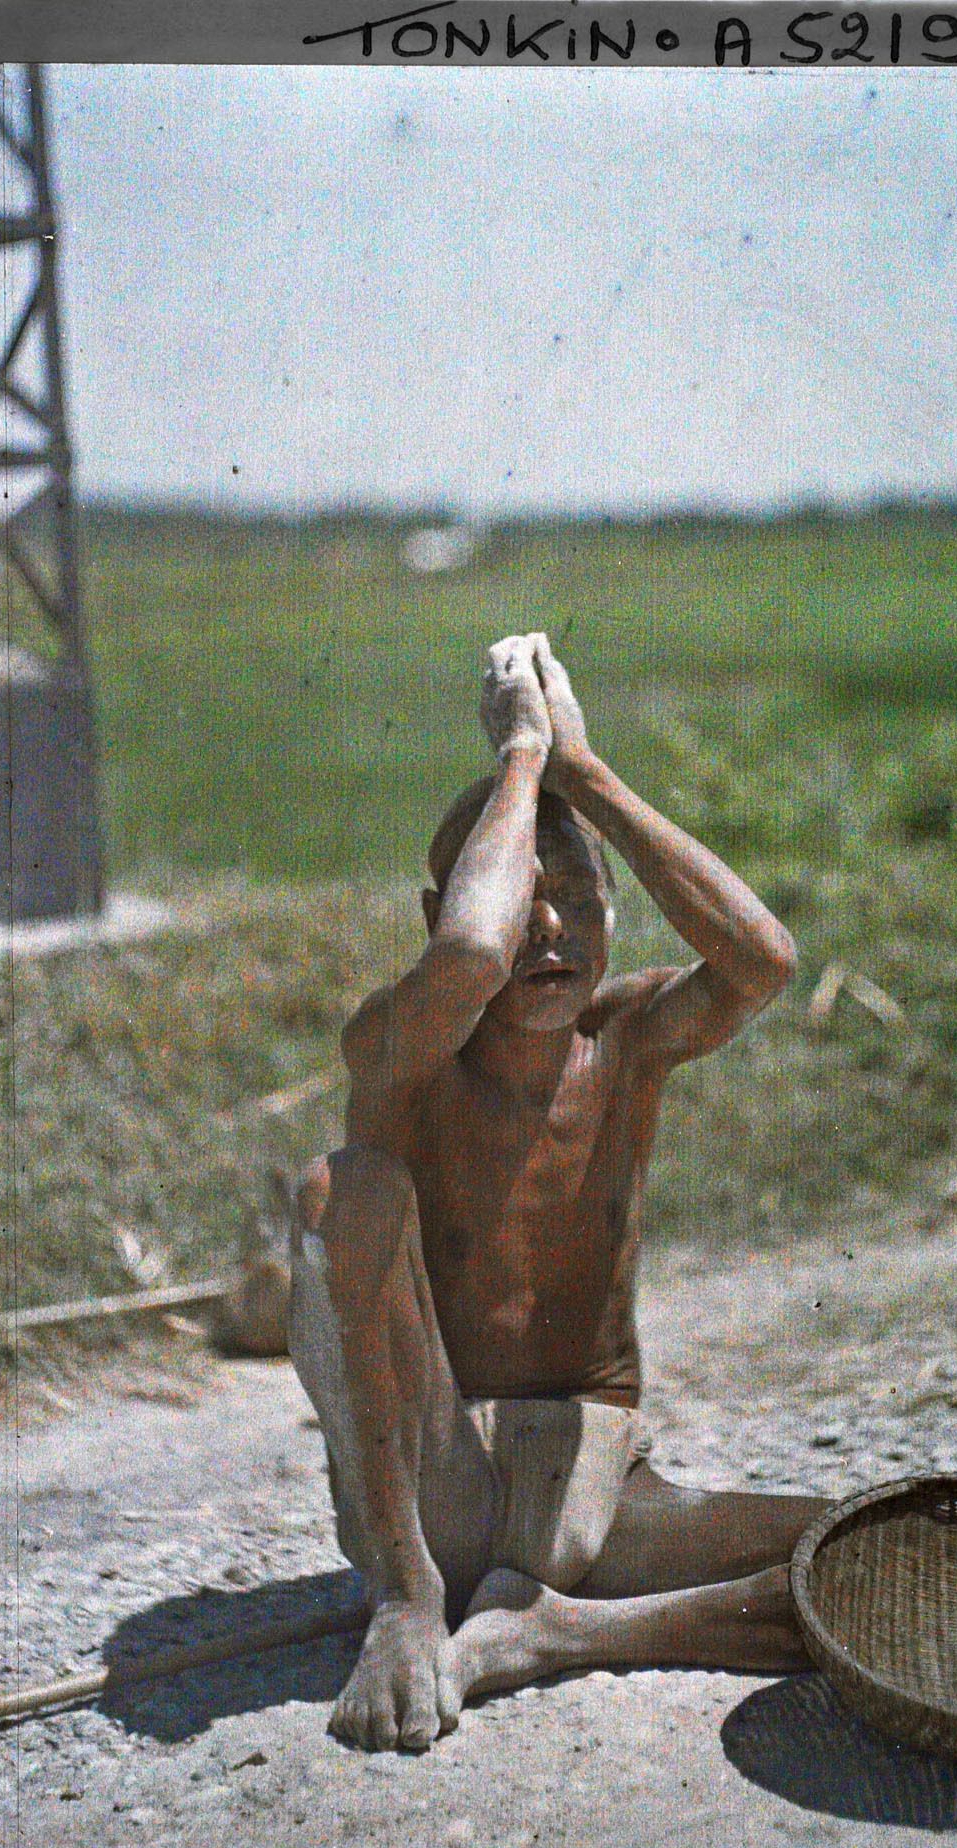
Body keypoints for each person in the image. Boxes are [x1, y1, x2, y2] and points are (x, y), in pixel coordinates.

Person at [289, 632, 828, 1752]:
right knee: (344, 1189)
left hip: (583, 1483)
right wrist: (524, 754)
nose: (547, 930)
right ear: (436, 907)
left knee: (863, 1547)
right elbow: (472, 958)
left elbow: (763, 961)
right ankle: (411, 1601)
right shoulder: (400, 1052)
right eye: (522, 893)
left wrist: (585, 770)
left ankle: (557, 1633)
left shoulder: (627, 1037)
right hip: (428, 1482)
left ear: (612, 916)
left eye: (575, 897)